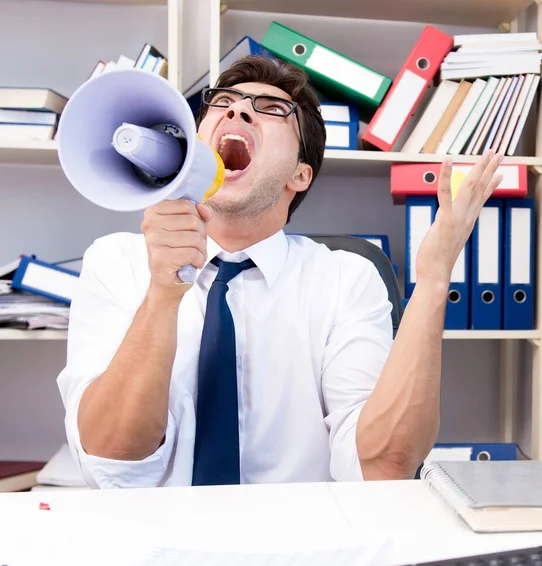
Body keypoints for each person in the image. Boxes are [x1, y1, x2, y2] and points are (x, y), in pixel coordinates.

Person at [57, 55, 504, 489]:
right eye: (223, 102)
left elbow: (383, 469)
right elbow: (109, 462)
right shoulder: (116, 264)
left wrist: (432, 280)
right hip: (151, 548)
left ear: (300, 174)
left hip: (306, 551)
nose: (238, 110)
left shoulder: (347, 279)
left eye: (271, 109)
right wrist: (162, 293)